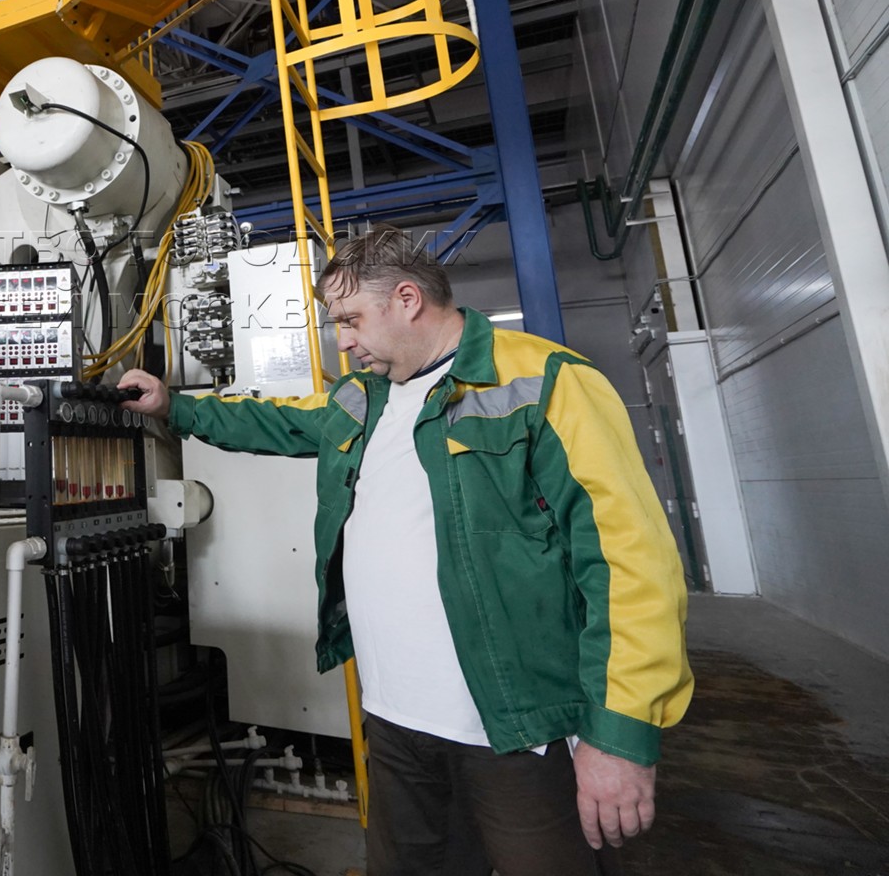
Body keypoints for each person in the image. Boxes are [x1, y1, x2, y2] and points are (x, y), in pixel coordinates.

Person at [119, 228, 692, 876]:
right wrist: (174, 406)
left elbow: (630, 566)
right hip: (395, 724)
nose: (343, 339)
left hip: (518, 731)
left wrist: (619, 733)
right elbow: (276, 420)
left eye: (351, 320)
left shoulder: (546, 383)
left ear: (408, 299)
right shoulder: (366, 399)